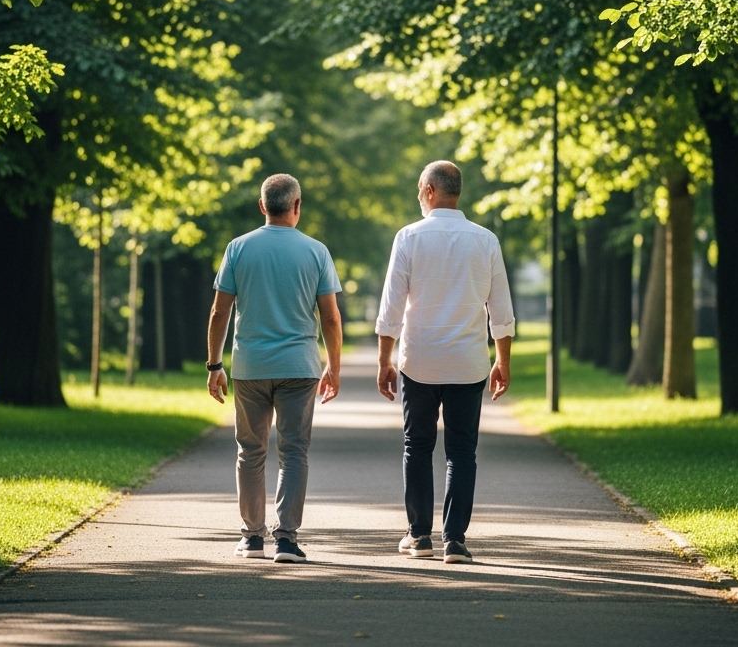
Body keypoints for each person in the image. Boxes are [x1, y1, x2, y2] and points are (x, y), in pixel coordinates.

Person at [375, 160, 515, 564]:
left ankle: (419, 536)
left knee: (416, 445)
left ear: (430, 190)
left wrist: (385, 359)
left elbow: (391, 308)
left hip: (418, 359)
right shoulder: (486, 240)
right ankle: (455, 540)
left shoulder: (408, 237)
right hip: (468, 362)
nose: (419, 197)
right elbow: (500, 312)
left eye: (420, 190)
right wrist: (502, 361)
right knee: (462, 451)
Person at [206, 173, 342, 563]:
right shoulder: (316, 251)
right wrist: (333, 364)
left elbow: (220, 310)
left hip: (250, 367)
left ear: (262, 206)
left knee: (250, 452)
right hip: (300, 367)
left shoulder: (238, 248)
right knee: (294, 451)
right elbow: (330, 319)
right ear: (297, 206)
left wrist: (215, 364)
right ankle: (286, 539)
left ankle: (251, 539)